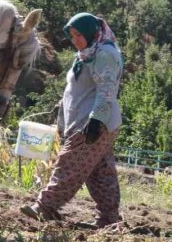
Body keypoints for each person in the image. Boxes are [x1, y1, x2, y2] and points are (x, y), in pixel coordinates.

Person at [22, 13, 124, 228]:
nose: (75, 40)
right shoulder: (87, 53)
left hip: (93, 123)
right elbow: (73, 91)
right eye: (72, 35)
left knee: (69, 163)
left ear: (91, 32)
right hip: (87, 121)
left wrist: (95, 121)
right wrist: (62, 121)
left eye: (79, 34)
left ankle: (45, 207)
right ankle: (109, 219)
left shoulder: (104, 53)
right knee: (100, 173)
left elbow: (107, 89)